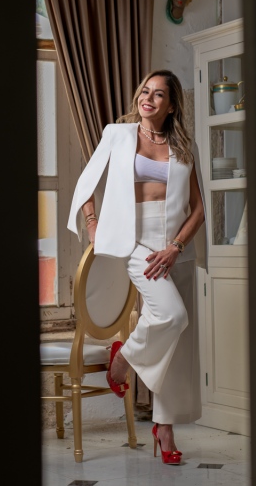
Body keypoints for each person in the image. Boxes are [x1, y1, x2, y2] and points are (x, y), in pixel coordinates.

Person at [67, 70, 206, 465]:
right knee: (171, 316)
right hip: (134, 241)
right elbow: (85, 184)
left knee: (176, 340)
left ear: (172, 105)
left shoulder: (182, 145)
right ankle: (123, 359)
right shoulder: (119, 134)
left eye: (158, 94)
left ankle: (164, 427)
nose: (148, 98)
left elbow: (197, 209)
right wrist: (93, 224)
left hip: (175, 246)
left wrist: (177, 246)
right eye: (145, 91)